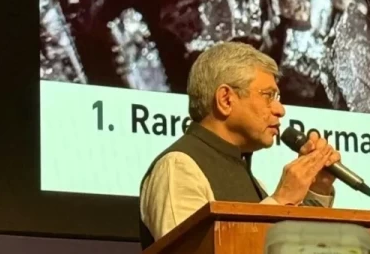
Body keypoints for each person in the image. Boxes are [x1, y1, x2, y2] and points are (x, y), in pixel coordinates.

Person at [139, 42, 341, 248]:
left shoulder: (254, 182)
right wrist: (281, 200)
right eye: (268, 96)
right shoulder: (178, 167)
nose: (280, 110)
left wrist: (317, 188)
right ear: (226, 100)